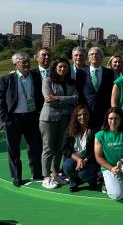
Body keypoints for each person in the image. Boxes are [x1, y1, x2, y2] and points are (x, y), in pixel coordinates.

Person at [0, 52, 44, 187]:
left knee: (35, 146)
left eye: (27, 61)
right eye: (22, 62)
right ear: (15, 64)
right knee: (14, 149)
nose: (26, 64)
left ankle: (37, 172)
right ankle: (16, 176)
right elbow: (0, 101)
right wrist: (4, 120)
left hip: (32, 117)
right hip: (13, 118)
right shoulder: (7, 79)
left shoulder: (36, 77)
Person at [40, 57, 78, 189]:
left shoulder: (71, 83)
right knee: (48, 148)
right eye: (60, 67)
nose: (62, 69)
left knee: (59, 148)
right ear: (55, 68)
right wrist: (67, 100)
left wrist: (57, 98)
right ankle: (45, 176)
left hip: (65, 118)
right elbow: (48, 100)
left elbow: (75, 99)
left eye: (65, 67)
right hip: (49, 118)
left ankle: (55, 173)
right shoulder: (47, 80)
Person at [94, 107, 123, 201]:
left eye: (116, 118)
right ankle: (107, 183)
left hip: (122, 164)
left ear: (121, 119)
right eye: (111, 118)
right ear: (107, 119)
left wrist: (122, 160)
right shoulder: (100, 135)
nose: (113, 121)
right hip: (109, 167)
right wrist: (111, 168)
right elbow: (98, 157)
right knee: (118, 195)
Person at [62, 105, 98, 192]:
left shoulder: (95, 130)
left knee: (84, 174)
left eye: (85, 114)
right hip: (75, 159)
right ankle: (74, 181)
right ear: (76, 116)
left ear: (89, 115)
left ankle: (91, 179)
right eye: (79, 115)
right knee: (67, 166)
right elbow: (65, 148)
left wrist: (85, 160)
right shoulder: (70, 129)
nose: (82, 117)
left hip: (90, 160)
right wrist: (78, 159)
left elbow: (96, 150)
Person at [77, 47, 114, 130]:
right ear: (88, 58)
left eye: (97, 54)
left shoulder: (109, 73)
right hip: (87, 111)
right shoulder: (81, 72)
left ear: (102, 57)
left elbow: (110, 92)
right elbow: (79, 91)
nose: (94, 56)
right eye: (92, 54)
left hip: (104, 111)